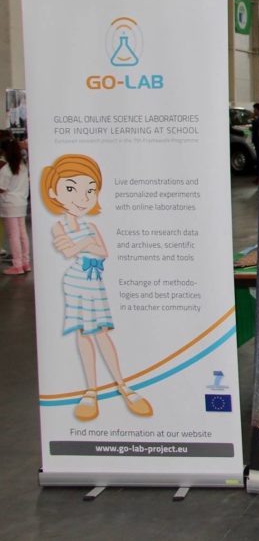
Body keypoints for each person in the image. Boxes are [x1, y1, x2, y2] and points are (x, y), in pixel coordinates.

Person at [41, 154, 153, 421]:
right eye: (71, 188)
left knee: (101, 332)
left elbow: (102, 251)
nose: (82, 197)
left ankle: (122, 385)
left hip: (93, 283)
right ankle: (90, 390)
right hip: (75, 282)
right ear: (53, 191)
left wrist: (81, 245)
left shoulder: (90, 225)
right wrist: (84, 245)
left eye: (89, 190)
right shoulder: (57, 226)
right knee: (82, 333)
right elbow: (70, 251)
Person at [0, 137, 30, 274]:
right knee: (22, 234)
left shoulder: (6, 169)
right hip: (21, 203)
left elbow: (2, 188)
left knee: (13, 235)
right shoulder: (22, 166)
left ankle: (17, 265)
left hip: (9, 204)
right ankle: (25, 263)